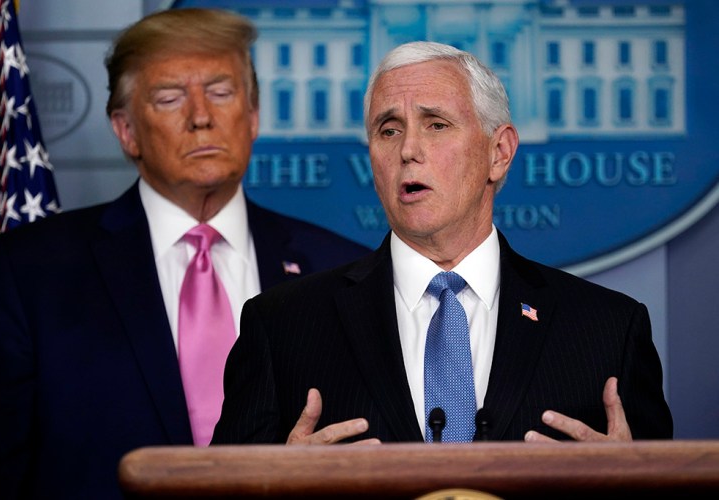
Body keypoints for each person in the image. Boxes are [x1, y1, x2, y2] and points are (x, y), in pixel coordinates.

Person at [0, 8, 369, 499]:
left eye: (221, 93)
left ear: (254, 115)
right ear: (126, 130)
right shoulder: (29, 274)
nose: (201, 116)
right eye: (170, 97)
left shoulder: (344, 270)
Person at [212, 41, 673, 446]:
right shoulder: (282, 327)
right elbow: (218, 493)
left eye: (436, 125)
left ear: (500, 153)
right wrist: (277, 485)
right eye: (388, 130)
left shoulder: (607, 329)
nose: (408, 148)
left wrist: (630, 481)